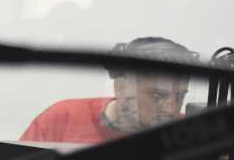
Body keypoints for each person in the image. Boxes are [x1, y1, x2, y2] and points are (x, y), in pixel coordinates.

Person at [19, 36, 194, 144]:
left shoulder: (192, 134)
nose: (172, 109)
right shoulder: (62, 118)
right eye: (158, 95)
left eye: (180, 96)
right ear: (121, 88)